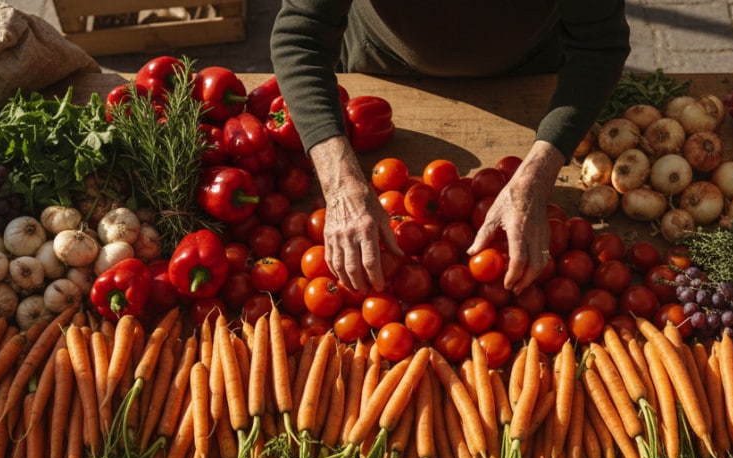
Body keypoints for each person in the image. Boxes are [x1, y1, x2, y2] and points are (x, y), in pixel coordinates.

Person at [270, 0, 631, 294]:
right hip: (383, 68)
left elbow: (599, 45)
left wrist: (538, 174)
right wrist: (341, 183)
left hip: (529, 74)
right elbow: (300, 35)